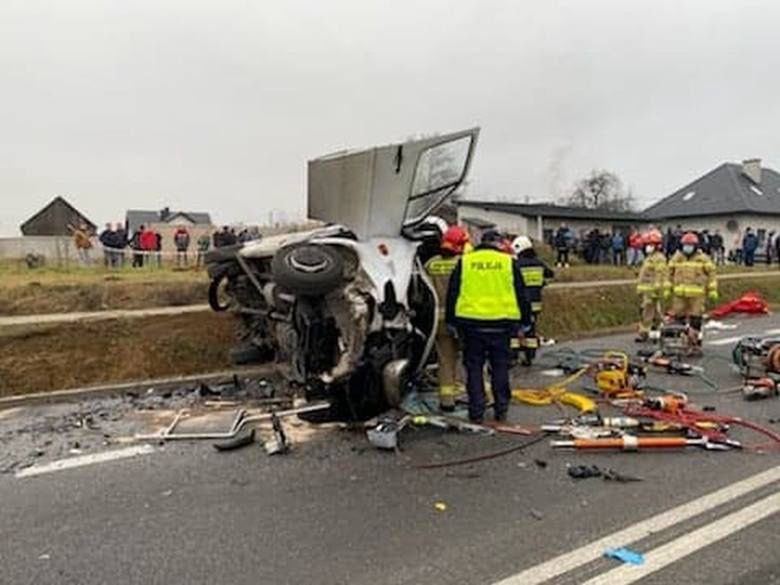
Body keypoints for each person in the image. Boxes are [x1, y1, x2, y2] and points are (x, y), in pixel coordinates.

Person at [446, 229, 527, 423]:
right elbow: (520, 294)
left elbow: (453, 293)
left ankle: (476, 411)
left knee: (474, 368)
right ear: (499, 243)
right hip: (502, 323)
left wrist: (451, 321)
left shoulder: (465, 262)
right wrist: (525, 322)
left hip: (471, 324)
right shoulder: (508, 262)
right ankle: (501, 408)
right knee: (500, 367)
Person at [424, 225, 470, 412]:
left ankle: (447, 401)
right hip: (462, 319)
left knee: (445, 361)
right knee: (472, 359)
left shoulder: (430, 264)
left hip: (438, 321)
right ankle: (479, 396)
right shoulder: (465, 263)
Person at [668, 232, 718, 347]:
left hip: (697, 295)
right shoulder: (677, 258)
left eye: (690, 245)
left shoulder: (703, 259)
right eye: (685, 245)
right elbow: (669, 273)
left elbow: (712, 274)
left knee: (695, 318)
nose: (687, 247)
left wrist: (712, 289)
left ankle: (695, 341)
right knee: (678, 317)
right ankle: (681, 340)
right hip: (679, 294)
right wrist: (667, 287)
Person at [511, 235, 554, 365]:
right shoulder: (538, 263)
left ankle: (514, 356)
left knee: (514, 330)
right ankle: (529, 356)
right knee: (531, 329)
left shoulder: (515, 265)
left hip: (518, 303)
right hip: (535, 304)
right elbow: (550, 273)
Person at [635, 229, 668, 342]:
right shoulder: (649, 258)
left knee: (650, 312)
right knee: (649, 312)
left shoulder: (659, 258)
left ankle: (649, 333)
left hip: (653, 290)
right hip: (647, 291)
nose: (647, 247)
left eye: (650, 244)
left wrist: (657, 289)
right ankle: (649, 332)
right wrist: (640, 288)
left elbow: (660, 275)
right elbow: (643, 276)